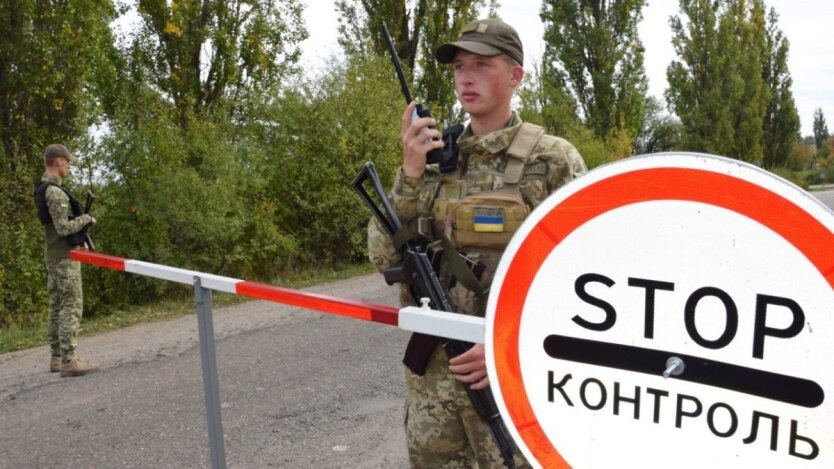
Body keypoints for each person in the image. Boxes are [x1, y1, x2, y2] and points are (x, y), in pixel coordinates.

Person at [368, 18, 587, 468]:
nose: (466, 77)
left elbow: (584, 277)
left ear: (515, 75)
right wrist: (409, 173)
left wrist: (508, 346)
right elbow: (382, 258)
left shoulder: (553, 160)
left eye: (482, 65)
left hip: (512, 384)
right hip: (433, 395)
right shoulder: (433, 161)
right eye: (459, 67)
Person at [34, 143, 100, 377]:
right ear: (59, 161)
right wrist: (86, 219)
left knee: (57, 305)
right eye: (68, 162)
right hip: (64, 257)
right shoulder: (55, 192)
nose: (70, 166)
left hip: (54, 254)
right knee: (71, 305)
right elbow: (62, 227)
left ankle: (57, 358)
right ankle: (69, 361)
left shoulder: (43, 188)